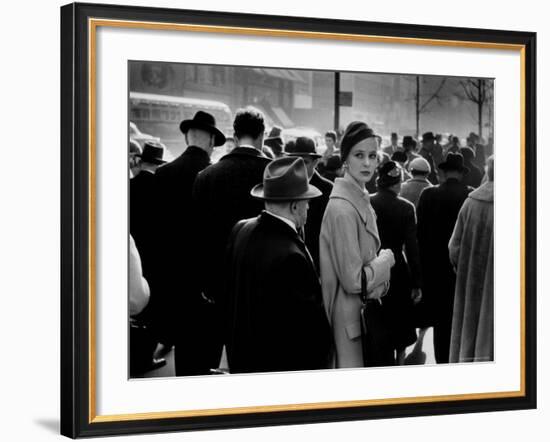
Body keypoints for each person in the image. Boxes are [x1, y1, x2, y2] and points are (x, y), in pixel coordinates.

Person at [225, 156, 332, 373]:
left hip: (241, 360)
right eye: (307, 202)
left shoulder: (240, 229)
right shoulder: (291, 256)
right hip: (277, 370)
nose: (309, 208)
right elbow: (308, 331)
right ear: (294, 206)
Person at [193, 107, 271, 366]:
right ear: (262, 135)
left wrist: (206, 285)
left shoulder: (206, 176)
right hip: (262, 284)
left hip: (218, 283)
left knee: (213, 359)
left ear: (234, 137)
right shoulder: (273, 175)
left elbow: (200, 236)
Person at [153, 110, 226, 376]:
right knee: (207, 359)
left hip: (174, 284)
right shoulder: (215, 175)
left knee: (184, 360)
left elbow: (156, 236)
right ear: (210, 141)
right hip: (208, 286)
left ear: (187, 137)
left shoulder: (162, 174)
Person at [320, 121, 396, 368]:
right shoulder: (343, 208)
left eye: (372, 156)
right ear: (345, 160)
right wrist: (386, 261)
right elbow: (353, 280)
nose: (366, 163)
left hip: (360, 318)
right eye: (359, 155)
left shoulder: (358, 199)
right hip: (350, 323)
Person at [416, 152, 473, 363]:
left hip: (435, 270)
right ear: (461, 173)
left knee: (440, 322)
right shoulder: (470, 196)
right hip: (462, 269)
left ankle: (441, 362)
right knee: (461, 319)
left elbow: (419, 233)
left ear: (443, 172)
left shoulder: (428, 195)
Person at [371, 161, 422, 364]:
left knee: (380, 315)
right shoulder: (406, 208)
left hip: (373, 264)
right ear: (397, 183)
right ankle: (400, 359)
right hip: (398, 268)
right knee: (400, 317)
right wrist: (417, 282)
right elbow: (412, 246)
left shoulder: (367, 202)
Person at [448, 156, 494, 363]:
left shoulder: (471, 202)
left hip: (471, 283)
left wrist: (463, 268)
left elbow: (453, 248)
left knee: (469, 332)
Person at [285, 136, 333, 270]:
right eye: (296, 161)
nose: (299, 166)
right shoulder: (286, 185)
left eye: (304, 162)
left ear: (315, 162)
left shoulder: (328, 190)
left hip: (318, 264)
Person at [129, 141, 166, 281]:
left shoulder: (128, 186)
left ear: (141, 161)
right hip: (154, 253)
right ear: (159, 164)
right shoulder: (163, 189)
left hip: (132, 250)